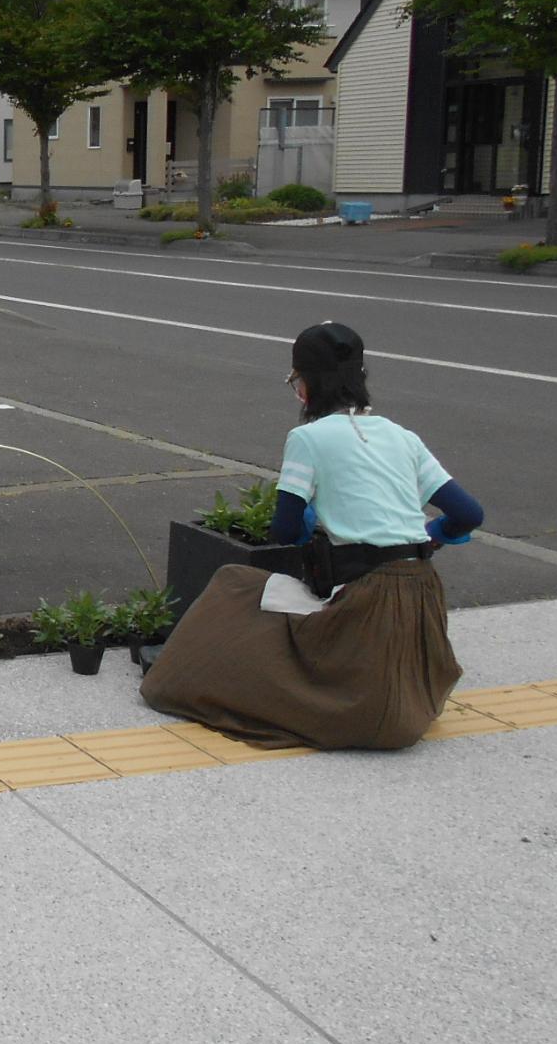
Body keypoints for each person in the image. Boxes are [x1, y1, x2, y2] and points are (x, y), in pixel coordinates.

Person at [141, 321, 483, 750]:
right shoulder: (402, 437)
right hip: (422, 602)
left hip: (365, 601)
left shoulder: (308, 438)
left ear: (305, 384)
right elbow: (469, 513)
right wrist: (432, 533)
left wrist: (311, 525)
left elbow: (283, 531)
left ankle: (179, 669)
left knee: (236, 583)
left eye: (294, 379)